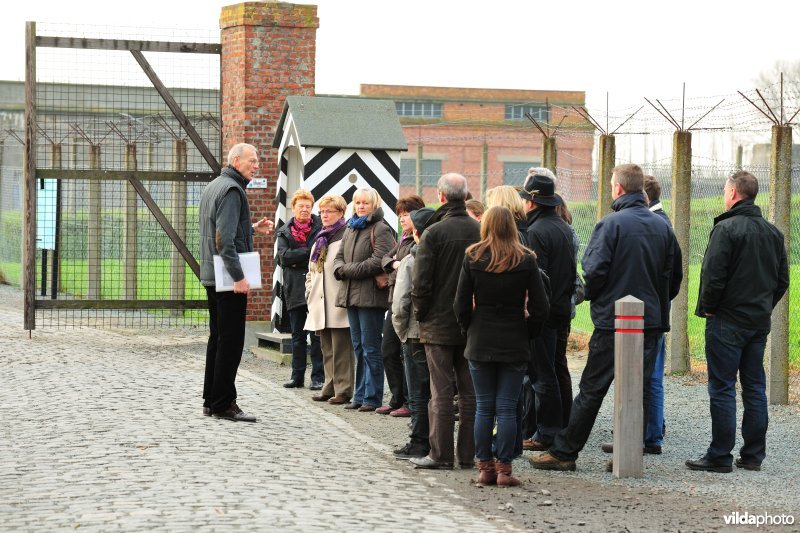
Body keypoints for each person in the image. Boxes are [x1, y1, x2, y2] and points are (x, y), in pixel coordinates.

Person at [531, 163, 682, 471]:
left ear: (617, 188)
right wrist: (654, 301)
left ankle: (564, 452)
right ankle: (629, 453)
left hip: (614, 321)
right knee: (638, 389)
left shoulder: (611, 225)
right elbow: (674, 276)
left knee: (592, 389)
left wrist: (598, 298)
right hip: (650, 321)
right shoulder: (663, 226)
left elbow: (594, 270)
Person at [686, 171, 788, 473]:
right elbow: (782, 281)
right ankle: (753, 455)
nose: (723, 194)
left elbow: (713, 276)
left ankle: (720, 456)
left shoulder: (726, 229)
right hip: (757, 322)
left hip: (726, 320)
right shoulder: (774, 233)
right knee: (755, 387)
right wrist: (763, 306)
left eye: (724, 190)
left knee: (723, 387)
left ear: (733, 193)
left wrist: (710, 309)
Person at [454, 206, 550, 486]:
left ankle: (484, 468)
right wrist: (529, 331)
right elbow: (541, 306)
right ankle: (505, 470)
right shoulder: (526, 259)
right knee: (507, 407)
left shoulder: (473, 256)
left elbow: (460, 303)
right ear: (511, 226)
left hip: (480, 336)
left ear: (486, 226)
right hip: (514, 337)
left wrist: (468, 328)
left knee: (484, 406)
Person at [410, 173, 480, 470]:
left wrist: (420, 314)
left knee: (440, 391)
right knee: (469, 393)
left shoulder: (434, 233)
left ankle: (440, 454)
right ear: (465, 197)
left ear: (440, 197)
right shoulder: (480, 230)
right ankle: (467, 455)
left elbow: (422, 282)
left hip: (438, 322)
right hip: (473, 323)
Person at [199, 142, 270, 422]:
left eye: (257, 162)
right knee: (230, 341)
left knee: (217, 339)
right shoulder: (232, 190)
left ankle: (211, 399)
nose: (256, 165)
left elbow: (221, 229)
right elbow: (223, 240)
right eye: (252, 161)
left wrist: (251, 228)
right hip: (227, 278)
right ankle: (224, 404)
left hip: (212, 274)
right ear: (236, 160)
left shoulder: (216, 185)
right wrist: (239, 277)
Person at [519, 172, 576, 451]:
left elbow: (537, 278)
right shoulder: (562, 227)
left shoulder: (536, 232)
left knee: (543, 375)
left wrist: (532, 313)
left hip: (545, 313)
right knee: (555, 370)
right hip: (562, 308)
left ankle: (546, 433)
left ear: (532, 202)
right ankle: (561, 426)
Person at [333, 188, 395, 412]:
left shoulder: (381, 229)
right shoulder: (350, 227)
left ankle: (372, 396)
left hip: (370, 296)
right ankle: (359, 394)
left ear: (374, 204)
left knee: (371, 348)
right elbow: (338, 258)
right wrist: (342, 269)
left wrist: (347, 270)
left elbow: (380, 260)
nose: (360, 206)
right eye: (357, 202)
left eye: (365, 203)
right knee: (358, 347)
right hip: (351, 296)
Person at [392, 207, 437, 460]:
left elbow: (401, 303)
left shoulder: (411, 260)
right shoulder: (443, 256)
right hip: (441, 332)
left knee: (418, 392)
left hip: (414, 332)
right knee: (437, 391)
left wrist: (401, 331)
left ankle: (419, 442)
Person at [304, 194, 355, 405]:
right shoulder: (320, 237)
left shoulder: (346, 236)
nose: (324, 215)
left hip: (337, 301)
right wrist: (309, 290)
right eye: (322, 211)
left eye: (329, 211)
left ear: (340, 213)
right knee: (326, 348)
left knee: (341, 348)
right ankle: (329, 385)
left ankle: (343, 389)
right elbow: (311, 270)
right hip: (319, 301)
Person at [378, 195, 425, 416]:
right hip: (394, 301)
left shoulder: (419, 241)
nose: (403, 219)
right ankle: (397, 397)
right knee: (388, 350)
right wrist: (395, 263)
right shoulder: (404, 239)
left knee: (407, 355)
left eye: (406, 215)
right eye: (400, 215)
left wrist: (396, 264)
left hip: (409, 305)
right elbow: (385, 260)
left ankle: (408, 400)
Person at [276, 189, 324, 390]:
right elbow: (283, 258)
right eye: (300, 206)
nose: (304, 209)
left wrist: (298, 256)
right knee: (297, 335)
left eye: (308, 206)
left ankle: (317, 377)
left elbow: (321, 252)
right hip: (294, 287)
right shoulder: (284, 231)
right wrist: (308, 252)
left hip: (316, 285)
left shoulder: (320, 227)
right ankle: (297, 377)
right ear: (293, 208)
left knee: (316, 335)